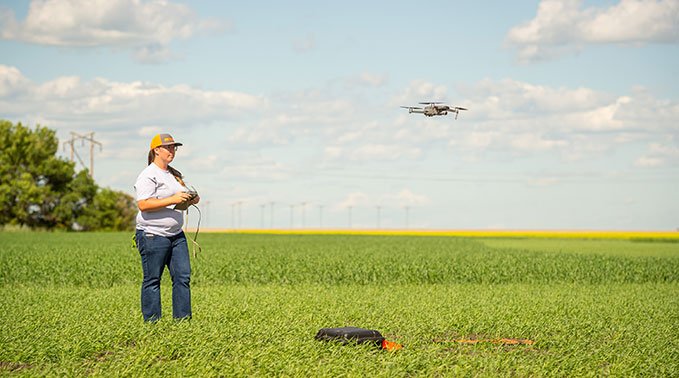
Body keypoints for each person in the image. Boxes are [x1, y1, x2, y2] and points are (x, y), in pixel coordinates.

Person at [133, 133, 200, 322]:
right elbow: (143, 204)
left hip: (176, 235)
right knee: (153, 280)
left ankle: (183, 322)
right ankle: (152, 324)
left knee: (182, 278)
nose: (172, 151)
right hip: (153, 235)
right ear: (156, 150)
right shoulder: (148, 175)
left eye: (174, 148)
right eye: (168, 147)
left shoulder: (173, 174)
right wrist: (172, 200)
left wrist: (192, 198)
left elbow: (182, 196)